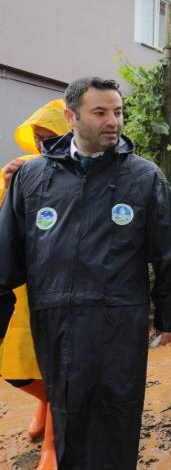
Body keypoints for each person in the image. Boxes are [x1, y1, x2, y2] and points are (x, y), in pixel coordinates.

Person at [0, 77, 171, 469]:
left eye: (118, 112)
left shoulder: (143, 177)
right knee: (69, 414)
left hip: (119, 318)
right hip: (56, 320)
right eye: (100, 112)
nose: (113, 121)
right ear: (71, 117)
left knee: (117, 415)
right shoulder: (33, 178)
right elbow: (7, 255)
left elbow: (169, 251)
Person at [0, 99, 70, 470]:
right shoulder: (19, 170)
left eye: (52, 138)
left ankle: (53, 445)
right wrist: (9, 189)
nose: (44, 146)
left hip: (60, 283)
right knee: (15, 369)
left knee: (59, 364)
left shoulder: (81, 173)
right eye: (39, 139)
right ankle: (47, 401)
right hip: (21, 289)